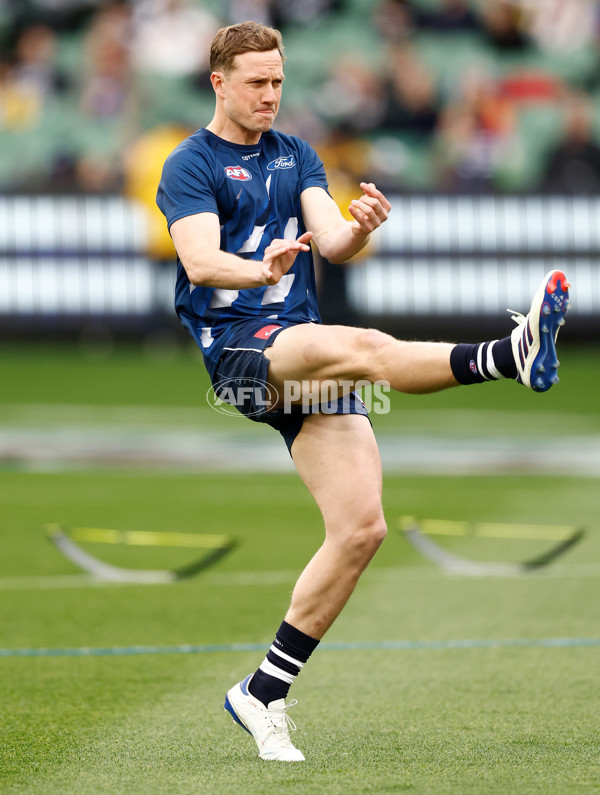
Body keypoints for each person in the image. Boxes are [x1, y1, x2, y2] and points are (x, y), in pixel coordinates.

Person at [156, 21, 570, 762]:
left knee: (360, 528)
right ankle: (510, 352)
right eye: (255, 82)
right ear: (219, 82)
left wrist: (361, 226)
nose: (270, 95)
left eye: (278, 81)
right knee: (367, 349)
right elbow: (201, 260)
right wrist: (263, 270)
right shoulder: (189, 163)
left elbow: (334, 241)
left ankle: (262, 692)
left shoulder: (296, 154)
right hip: (242, 355)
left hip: (299, 355)